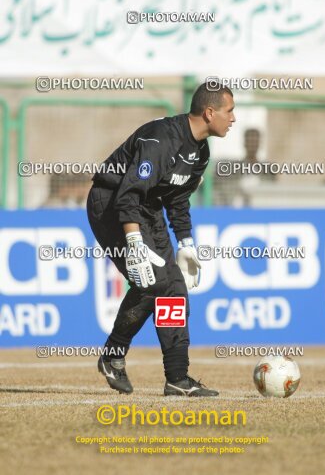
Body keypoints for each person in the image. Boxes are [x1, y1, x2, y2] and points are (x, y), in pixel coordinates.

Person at [87, 82, 236, 397]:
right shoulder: (161, 139)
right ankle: (113, 356)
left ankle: (177, 379)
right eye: (230, 111)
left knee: (174, 286)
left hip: (147, 209)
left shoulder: (201, 151)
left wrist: (186, 244)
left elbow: (178, 201)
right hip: (110, 202)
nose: (233, 118)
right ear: (210, 113)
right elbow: (128, 194)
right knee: (152, 281)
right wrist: (135, 243)